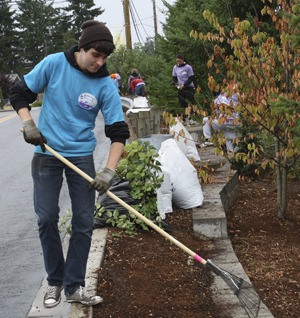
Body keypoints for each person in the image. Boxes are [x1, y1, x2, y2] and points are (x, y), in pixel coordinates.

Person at [10, 20, 130, 308]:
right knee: (46, 217)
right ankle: (54, 281)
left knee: (84, 222)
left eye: (104, 58)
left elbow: (118, 132)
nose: (99, 63)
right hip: (46, 154)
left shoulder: (104, 84)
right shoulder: (53, 64)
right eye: (94, 56)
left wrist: (109, 171)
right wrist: (28, 124)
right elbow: (18, 92)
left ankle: (74, 286)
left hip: (81, 156)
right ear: (81, 48)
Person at [202, 84, 239, 152]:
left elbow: (216, 114)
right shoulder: (236, 96)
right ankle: (232, 153)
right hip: (235, 123)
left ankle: (208, 139)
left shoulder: (217, 99)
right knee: (230, 138)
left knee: (206, 120)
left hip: (223, 123)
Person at [172, 54, 196, 125]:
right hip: (180, 88)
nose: (178, 63)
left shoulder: (188, 67)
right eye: (177, 61)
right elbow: (174, 77)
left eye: (179, 61)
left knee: (189, 103)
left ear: (183, 60)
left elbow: (191, 77)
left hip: (188, 87)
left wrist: (185, 85)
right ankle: (184, 119)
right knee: (182, 103)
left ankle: (191, 118)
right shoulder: (175, 67)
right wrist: (176, 83)